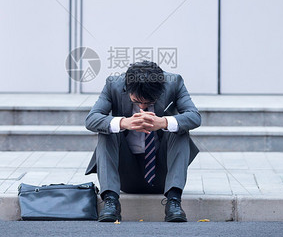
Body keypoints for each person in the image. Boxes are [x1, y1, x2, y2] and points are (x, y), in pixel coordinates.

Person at [85, 61, 201, 222]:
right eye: (137, 101)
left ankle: (174, 201)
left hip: (163, 174)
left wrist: (164, 123)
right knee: (108, 129)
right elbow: (91, 119)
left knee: (179, 128)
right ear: (127, 88)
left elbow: (194, 116)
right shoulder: (114, 85)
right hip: (126, 174)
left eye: (149, 103)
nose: (142, 107)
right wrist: (123, 123)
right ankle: (111, 201)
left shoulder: (174, 83)